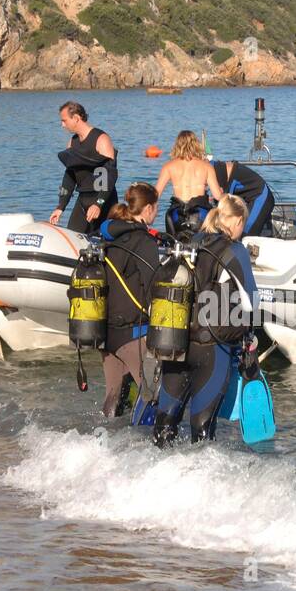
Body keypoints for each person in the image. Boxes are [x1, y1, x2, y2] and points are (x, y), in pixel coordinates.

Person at [154, 196, 257, 446]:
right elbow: (251, 303)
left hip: (175, 342)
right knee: (201, 433)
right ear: (238, 221)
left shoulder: (188, 242)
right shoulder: (234, 250)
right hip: (212, 348)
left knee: (164, 428)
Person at [98, 183, 162, 417]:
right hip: (133, 334)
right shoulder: (144, 241)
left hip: (106, 332)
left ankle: (100, 445)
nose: (156, 213)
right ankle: (154, 451)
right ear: (147, 209)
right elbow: (154, 287)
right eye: (156, 208)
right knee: (154, 395)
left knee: (112, 400)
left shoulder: (108, 235)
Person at [49, 102, 118, 233]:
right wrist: (61, 206)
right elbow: (69, 177)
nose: (62, 125)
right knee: (73, 238)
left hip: (103, 200)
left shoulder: (101, 139)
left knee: (103, 244)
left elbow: (110, 176)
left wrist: (99, 204)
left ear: (76, 118)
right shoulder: (72, 143)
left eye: (64, 120)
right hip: (83, 199)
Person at [156, 130, 223, 237]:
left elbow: (156, 195)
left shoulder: (168, 166)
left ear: (177, 145)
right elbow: (217, 196)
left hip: (176, 214)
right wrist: (222, 193)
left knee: (174, 244)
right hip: (200, 214)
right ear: (196, 144)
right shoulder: (206, 166)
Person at [212, 158, 276, 237]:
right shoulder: (209, 168)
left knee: (246, 237)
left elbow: (223, 201)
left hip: (261, 197)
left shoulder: (213, 171)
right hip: (248, 198)